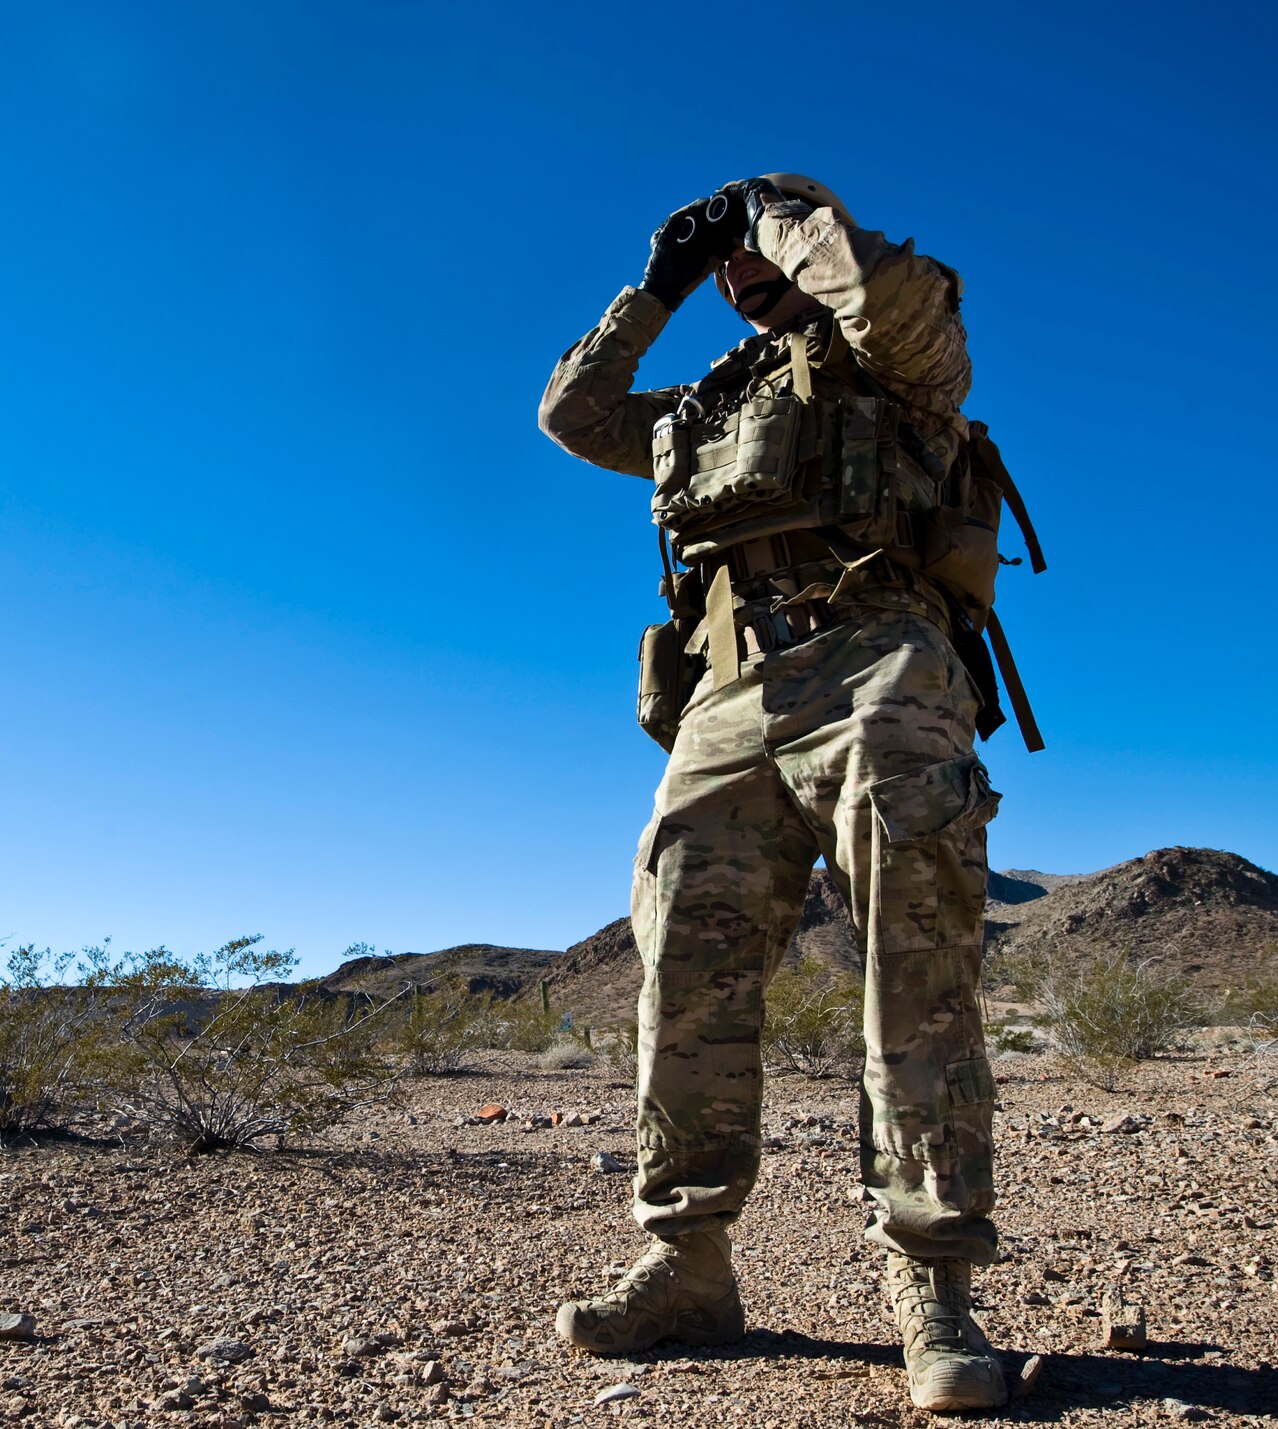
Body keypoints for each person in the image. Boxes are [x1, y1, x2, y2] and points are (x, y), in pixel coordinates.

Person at [538, 174, 1009, 1411]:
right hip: (729, 697)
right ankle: (688, 1262)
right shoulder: (702, 401)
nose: (744, 270)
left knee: (911, 959)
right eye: (732, 266)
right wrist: (657, 287)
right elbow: (572, 415)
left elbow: (878, 294)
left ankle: (931, 1282)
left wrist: (787, 213)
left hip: (881, 658)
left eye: (764, 255)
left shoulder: (902, 356)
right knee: (681, 966)